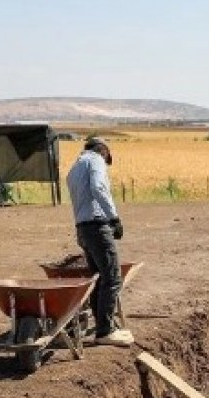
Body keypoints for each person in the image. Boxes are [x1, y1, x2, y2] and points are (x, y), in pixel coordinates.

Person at [66, 137, 131, 347]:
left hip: (82, 228)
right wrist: (114, 218)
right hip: (97, 226)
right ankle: (105, 331)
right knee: (112, 278)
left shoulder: (75, 167)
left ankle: (104, 326)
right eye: (106, 156)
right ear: (102, 150)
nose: (105, 161)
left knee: (98, 279)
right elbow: (99, 187)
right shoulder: (95, 160)